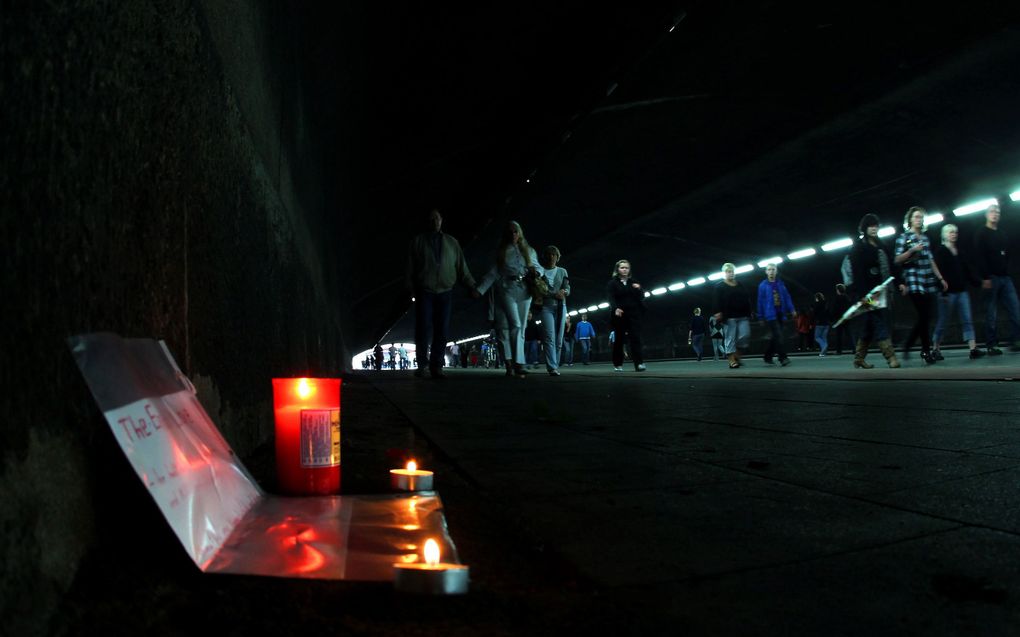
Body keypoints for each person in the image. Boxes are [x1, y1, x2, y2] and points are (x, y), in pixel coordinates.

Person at [406, 208, 479, 379]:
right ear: (427, 222)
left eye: (437, 219)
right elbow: (409, 268)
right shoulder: (417, 242)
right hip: (425, 291)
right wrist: (409, 288)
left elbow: (462, 268)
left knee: (442, 330)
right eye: (431, 219)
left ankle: (436, 365)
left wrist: (472, 285)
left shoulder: (452, 243)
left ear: (441, 221)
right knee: (423, 329)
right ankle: (422, 365)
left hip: (445, 291)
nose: (434, 222)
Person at [476, 221, 542, 377]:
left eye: (516, 231)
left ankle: (513, 363)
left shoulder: (529, 251)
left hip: (525, 290)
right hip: (507, 289)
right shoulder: (501, 252)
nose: (513, 234)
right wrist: (480, 290)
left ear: (520, 233)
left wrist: (536, 273)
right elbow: (493, 273)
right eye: (510, 232)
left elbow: (539, 268)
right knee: (514, 325)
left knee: (521, 326)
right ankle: (517, 363)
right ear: (506, 234)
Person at [894, 206, 948, 364]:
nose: (920, 219)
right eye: (917, 217)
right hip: (913, 279)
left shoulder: (925, 238)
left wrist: (940, 278)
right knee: (924, 315)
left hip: (927, 280)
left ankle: (909, 344)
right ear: (910, 219)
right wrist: (911, 251)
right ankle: (925, 350)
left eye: (922, 217)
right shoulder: (903, 238)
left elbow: (931, 260)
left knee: (927, 316)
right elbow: (897, 260)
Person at [848, 213, 900, 369]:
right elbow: (857, 273)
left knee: (869, 326)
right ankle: (890, 357)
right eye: (871, 226)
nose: (874, 228)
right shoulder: (858, 247)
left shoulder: (881, 245)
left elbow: (890, 266)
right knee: (879, 322)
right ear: (865, 228)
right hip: (867, 293)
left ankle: (858, 358)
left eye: (876, 225)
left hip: (882, 291)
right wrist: (865, 295)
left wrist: (899, 283)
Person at [973, 203, 1020, 354]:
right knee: (991, 313)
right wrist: (985, 277)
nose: (995, 214)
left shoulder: (1003, 234)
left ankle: (1016, 340)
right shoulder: (981, 233)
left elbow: (1007, 254)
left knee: (1015, 309)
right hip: (991, 277)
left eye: (998, 212)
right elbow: (979, 257)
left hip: (1005, 278)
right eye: (992, 211)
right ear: (986, 215)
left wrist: (1007, 270)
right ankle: (991, 344)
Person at [932, 224, 984, 359]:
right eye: (950, 232)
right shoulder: (940, 251)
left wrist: (979, 282)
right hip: (947, 293)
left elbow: (967, 271)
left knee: (967, 319)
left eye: (955, 232)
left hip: (962, 292)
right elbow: (937, 272)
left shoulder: (960, 252)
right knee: (943, 321)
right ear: (944, 235)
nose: (953, 234)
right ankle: (935, 348)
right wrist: (941, 290)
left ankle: (973, 348)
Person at [607, 259, 646, 371]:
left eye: (627, 268)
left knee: (635, 338)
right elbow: (611, 297)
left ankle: (639, 363)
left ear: (629, 270)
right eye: (622, 267)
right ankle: (618, 364)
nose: (624, 270)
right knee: (619, 339)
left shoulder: (634, 282)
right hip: (619, 314)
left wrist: (639, 289)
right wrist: (615, 308)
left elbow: (641, 296)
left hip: (633, 314)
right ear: (617, 269)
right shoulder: (612, 283)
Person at [713, 263, 752, 368]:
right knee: (730, 338)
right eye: (728, 272)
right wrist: (718, 312)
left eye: (732, 271)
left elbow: (746, 298)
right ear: (724, 273)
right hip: (729, 316)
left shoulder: (740, 284)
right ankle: (731, 360)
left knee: (745, 335)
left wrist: (750, 310)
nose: (731, 273)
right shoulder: (719, 286)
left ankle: (737, 355)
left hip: (743, 315)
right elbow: (717, 301)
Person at [755, 263, 796, 366]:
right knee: (778, 335)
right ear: (766, 272)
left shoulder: (781, 284)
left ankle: (767, 356)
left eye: (773, 269)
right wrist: (760, 316)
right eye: (769, 269)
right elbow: (760, 301)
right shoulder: (762, 285)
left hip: (781, 314)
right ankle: (783, 358)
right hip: (770, 315)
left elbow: (787, 297)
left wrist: (792, 309)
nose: (771, 271)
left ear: (776, 271)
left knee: (776, 337)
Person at [539, 246, 570, 376]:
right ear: (545, 257)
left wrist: (564, 292)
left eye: (554, 254)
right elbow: (539, 290)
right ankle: (551, 367)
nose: (551, 257)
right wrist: (553, 294)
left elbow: (567, 287)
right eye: (549, 254)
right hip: (546, 307)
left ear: (557, 257)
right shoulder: (540, 272)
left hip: (561, 307)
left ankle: (555, 364)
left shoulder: (563, 271)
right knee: (549, 337)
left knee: (559, 338)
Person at [830, 283, 852, 354]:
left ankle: (839, 350)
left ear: (838, 290)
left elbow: (834, 309)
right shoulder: (847, 297)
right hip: (846, 318)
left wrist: (833, 317)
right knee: (849, 334)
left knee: (839, 335)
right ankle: (854, 348)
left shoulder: (837, 298)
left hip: (839, 318)